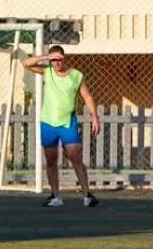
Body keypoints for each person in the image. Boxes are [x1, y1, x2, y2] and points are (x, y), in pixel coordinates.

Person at [22, 45, 99, 208]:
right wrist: (46, 57)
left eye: (59, 59)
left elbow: (86, 95)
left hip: (67, 123)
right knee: (51, 159)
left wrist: (95, 117)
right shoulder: (47, 71)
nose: (57, 63)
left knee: (75, 156)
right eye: (54, 60)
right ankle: (56, 196)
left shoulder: (76, 76)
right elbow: (26, 63)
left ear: (64, 58)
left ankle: (87, 195)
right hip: (48, 123)